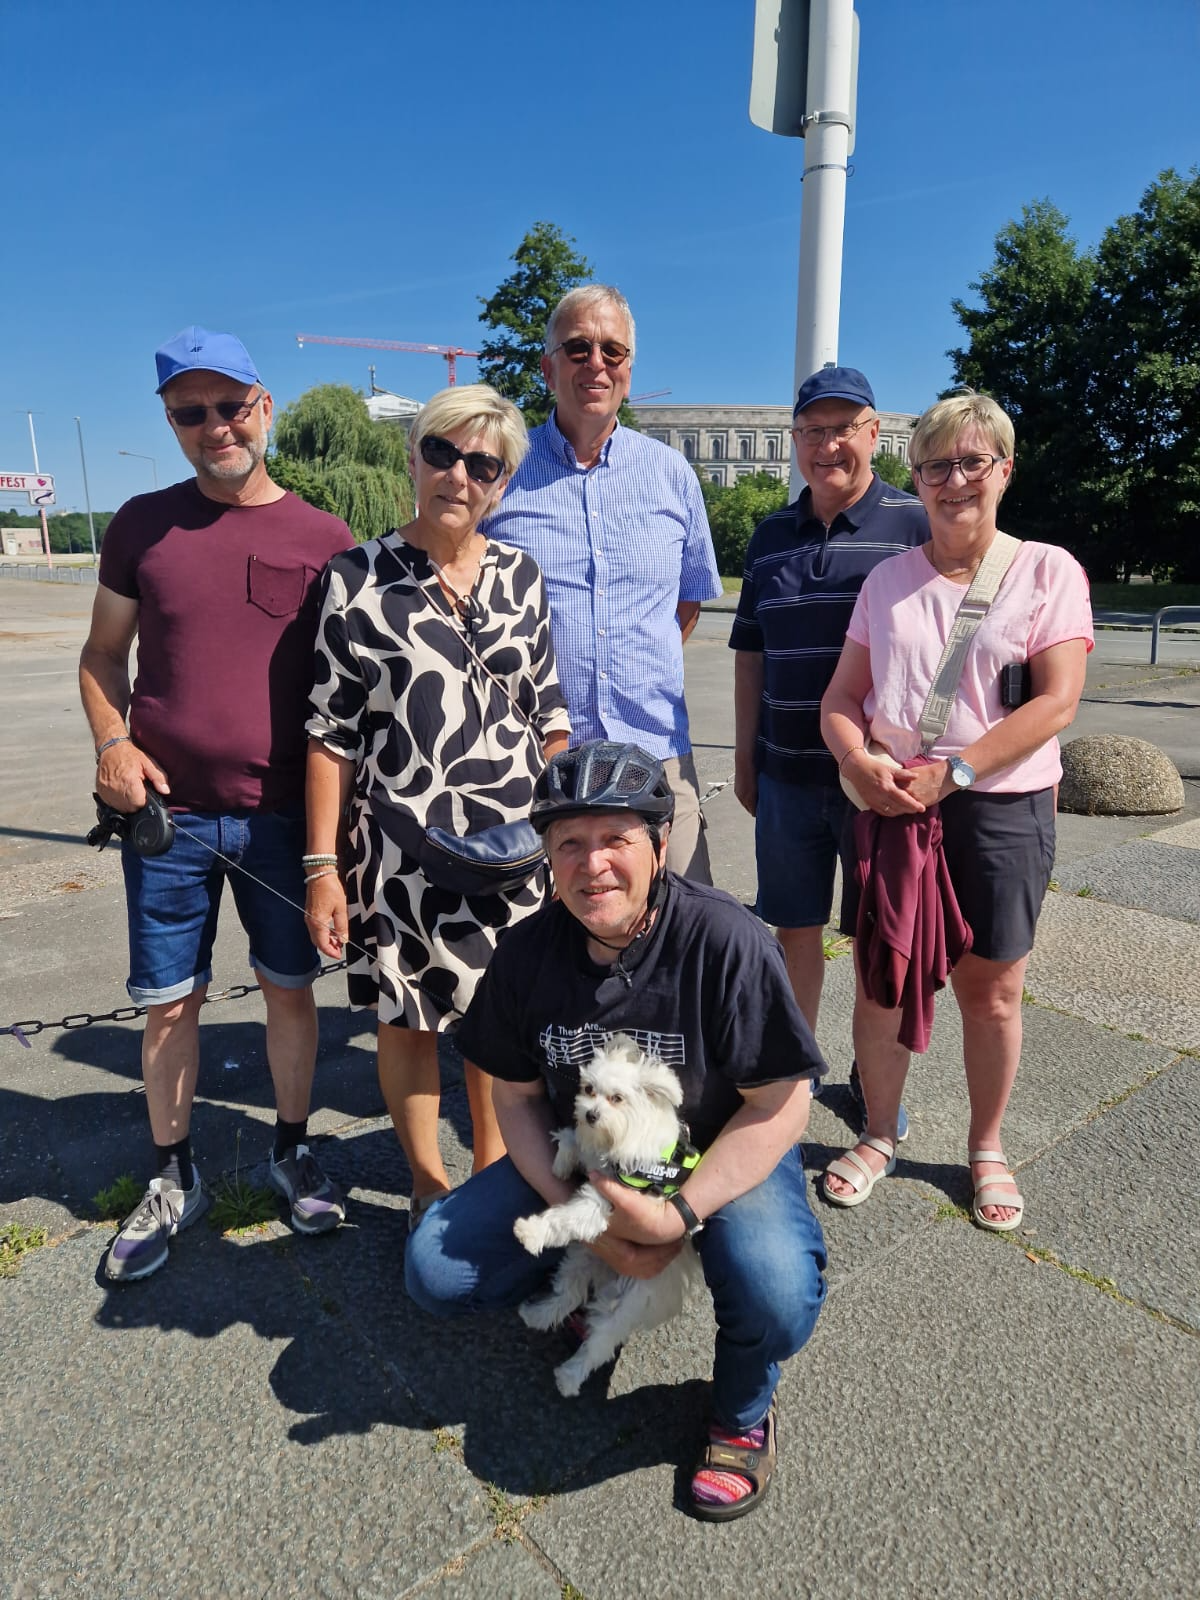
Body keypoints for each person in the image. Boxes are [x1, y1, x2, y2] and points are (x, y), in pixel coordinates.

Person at [405, 740, 828, 1522]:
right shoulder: (528, 952)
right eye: (569, 843)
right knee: (434, 1267)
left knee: (774, 1290)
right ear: (546, 858)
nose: (592, 863)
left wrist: (676, 1216)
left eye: (615, 839)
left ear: (660, 845)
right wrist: (599, 1231)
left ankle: (741, 1413)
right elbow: (515, 1097)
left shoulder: (726, 940)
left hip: (718, 1149)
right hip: (593, 1159)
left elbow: (782, 1103)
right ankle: (591, 1289)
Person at [79, 325, 355, 1282]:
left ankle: (292, 1148)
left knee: (289, 990)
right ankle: (173, 1174)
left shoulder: (325, 538)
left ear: (264, 407)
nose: (215, 426)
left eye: (231, 406)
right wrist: (111, 744)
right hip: (171, 820)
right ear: (171, 422)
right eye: (190, 413)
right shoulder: (140, 526)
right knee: (168, 1004)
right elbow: (102, 654)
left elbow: (354, 692)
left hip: (285, 820)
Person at [819, 391, 1092, 1230]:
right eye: (936, 465)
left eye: (973, 462)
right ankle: (877, 1133)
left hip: (1000, 809)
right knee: (882, 982)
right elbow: (841, 699)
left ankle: (986, 1147)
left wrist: (957, 772)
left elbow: (1056, 703)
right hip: (895, 806)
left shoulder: (1047, 570)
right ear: (916, 478)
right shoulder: (887, 581)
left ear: (1005, 471)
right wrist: (858, 760)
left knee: (993, 990)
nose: (954, 480)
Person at [305, 385, 570, 1230]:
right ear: (413, 458)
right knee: (407, 1015)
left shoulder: (521, 575)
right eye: (442, 453)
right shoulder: (356, 579)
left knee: (501, 1017)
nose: (459, 475)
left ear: (502, 482)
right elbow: (329, 735)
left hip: (515, 844)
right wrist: (322, 868)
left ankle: (493, 1171)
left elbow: (550, 712)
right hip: (404, 846)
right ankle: (425, 1179)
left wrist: (564, 831)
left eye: (482, 464)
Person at [730, 365, 927, 1130]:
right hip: (785, 774)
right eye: (813, 431)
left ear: (875, 434)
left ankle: (876, 1086)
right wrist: (745, 757)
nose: (828, 445)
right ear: (795, 441)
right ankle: (796, 1073)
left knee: (882, 943)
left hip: (878, 782)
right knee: (794, 930)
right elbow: (751, 654)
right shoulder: (770, 536)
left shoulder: (914, 526)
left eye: (844, 428)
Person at [483, 284, 722, 881]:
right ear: (548, 368)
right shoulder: (502, 474)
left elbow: (686, 603)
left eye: (612, 351)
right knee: (536, 928)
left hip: (655, 752)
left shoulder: (670, 474)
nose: (596, 363)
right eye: (578, 348)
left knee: (682, 920)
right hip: (531, 759)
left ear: (629, 372)